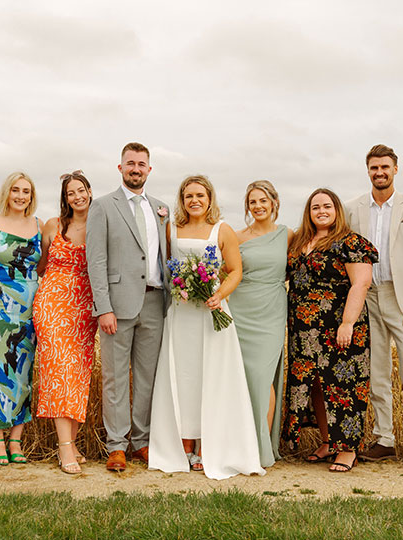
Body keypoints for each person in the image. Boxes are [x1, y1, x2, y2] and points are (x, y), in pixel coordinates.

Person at [148, 175, 264, 480]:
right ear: (182, 200)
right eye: (188, 196)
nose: (194, 201)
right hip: (182, 312)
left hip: (212, 311)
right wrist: (180, 285)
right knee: (183, 376)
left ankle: (206, 446)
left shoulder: (221, 230)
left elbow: (235, 270)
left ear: (210, 198)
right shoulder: (172, 229)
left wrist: (218, 295)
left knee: (210, 375)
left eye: (200, 195)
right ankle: (182, 445)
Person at [346, 144, 403, 470]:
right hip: (368, 297)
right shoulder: (353, 208)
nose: (379, 173)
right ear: (368, 171)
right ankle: (384, 439)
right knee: (377, 371)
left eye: (385, 167)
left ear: (396, 169)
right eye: (374, 168)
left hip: (402, 299)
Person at [86, 142, 170, 472]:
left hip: (154, 301)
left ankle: (142, 442)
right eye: (130, 163)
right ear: (120, 168)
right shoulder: (103, 207)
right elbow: (96, 259)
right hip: (117, 306)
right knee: (115, 378)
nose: (136, 169)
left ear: (150, 169)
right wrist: (103, 307)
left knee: (147, 378)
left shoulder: (162, 209)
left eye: (142, 164)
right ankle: (117, 445)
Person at [283, 188, 377, 473]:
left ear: (337, 209)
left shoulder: (351, 242)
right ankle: (328, 441)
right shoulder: (300, 241)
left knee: (343, 387)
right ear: (308, 212)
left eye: (327, 206)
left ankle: (347, 449)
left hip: (339, 325)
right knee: (316, 386)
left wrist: (347, 323)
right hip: (304, 329)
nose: (321, 211)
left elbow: (361, 284)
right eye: (315, 207)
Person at [0, 172, 41, 465]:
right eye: (16, 190)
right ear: (7, 192)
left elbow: (44, 270)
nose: (21, 196)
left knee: (24, 377)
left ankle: (16, 441)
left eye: (26, 191)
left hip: (30, 310)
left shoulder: (39, 226)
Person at [33, 170, 98, 475]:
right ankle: (64, 449)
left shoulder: (100, 226)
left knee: (78, 374)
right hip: (52, 304)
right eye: (71, 193)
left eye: (81, 190)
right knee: (59, 371)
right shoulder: (52, 225)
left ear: (89, 191)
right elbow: (41, 265)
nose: (77, 196)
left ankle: (71, 443)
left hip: (85, 308)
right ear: (65, 198)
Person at [227, 180, 290, 468]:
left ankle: (260, 447)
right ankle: (238, 444)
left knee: (263, 378)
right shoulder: (236, 237)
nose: (258, 206)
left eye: (263, 200)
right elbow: (225, 271)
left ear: (274, 202)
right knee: (241, 378)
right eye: (253, 202)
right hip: (240, 311)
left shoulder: (288, 236)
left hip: (271, 312)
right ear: (247, 206)